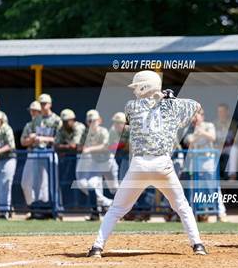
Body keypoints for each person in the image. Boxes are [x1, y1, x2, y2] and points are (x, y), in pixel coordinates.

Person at [87, 70, 207, 258]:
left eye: (137, 87)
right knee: (182, 207)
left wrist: (163, 100)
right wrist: (171, 98)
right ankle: (198, 245)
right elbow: (196, 105)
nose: (134, 91)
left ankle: (97, 247)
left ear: (145, 87)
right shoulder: (171, 107)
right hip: (163, 166)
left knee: (117, 209)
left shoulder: (131, 106)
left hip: (139, 166)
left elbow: (147, 110)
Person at [20, 94, 62, 219]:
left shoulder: (56, 120)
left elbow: (59, 140)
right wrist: (32, 139)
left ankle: (57, 210)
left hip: (50, 151)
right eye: (41, 103)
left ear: (50, 104)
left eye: (45, 103)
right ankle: (38, 210)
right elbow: (24, 141)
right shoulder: (36, 120)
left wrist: (43, 138)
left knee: (53, 183)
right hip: (37, 152)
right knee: (36, 184)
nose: (43, 106)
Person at [185, 108, 227, 222]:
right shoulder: (190, 128)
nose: (196, 117)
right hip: (195, 160)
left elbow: (212, 137)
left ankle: (220, 213)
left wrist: (200, 132)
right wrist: (197, 133)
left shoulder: (209, 125)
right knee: (195, 187)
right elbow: (189, 141)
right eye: (194, 115)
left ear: (202, 116)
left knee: (213, 186)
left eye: (198, 115)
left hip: (208, 159)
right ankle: (197, 213)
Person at [76, 109, 113, 221]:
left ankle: (96, 213)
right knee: (82, 184)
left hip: (101, 163)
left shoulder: (103, 131)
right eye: (89, 121)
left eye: (94, 120)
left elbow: (106, 146)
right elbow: (79, 147)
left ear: (99, 120)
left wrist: (90, 149)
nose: (91, 122)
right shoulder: (85, 133)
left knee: (93, 185)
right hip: (87, 163)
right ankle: (109, 204)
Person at [54, 109, 86, 205]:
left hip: (87, 157)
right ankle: (74, 205)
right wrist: (67, 147)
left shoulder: (79, 127)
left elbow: (74, 146)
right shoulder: (62, 128)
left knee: (85, 184)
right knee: (72, 183)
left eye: (67, 121)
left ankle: (97, 207)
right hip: (73, 159)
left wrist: (64, 147)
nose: (65, 123)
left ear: (73, 119)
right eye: (63, 121)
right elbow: (56, 145)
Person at [0, 110, 16, 219]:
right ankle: (2, 210)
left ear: (1, 120)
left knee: (5, 184)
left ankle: (5, 212)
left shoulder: (6, 129)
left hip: (9, 159)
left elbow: (11, 145)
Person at [214, 103, 238, 181]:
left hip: (228, 146)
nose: (221, 113)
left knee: (235, 150)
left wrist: (229, 142)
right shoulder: (214, 123)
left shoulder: (232, 123)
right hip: (217, 147)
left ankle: (232, 175)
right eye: (219, 111)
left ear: (227, 112)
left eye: (223, 111)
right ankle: (212, 176)